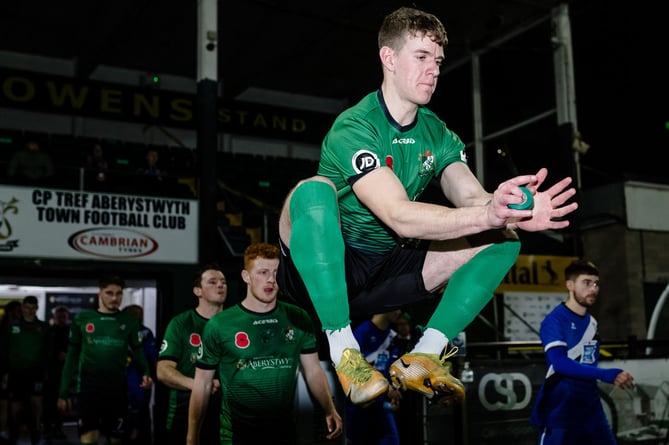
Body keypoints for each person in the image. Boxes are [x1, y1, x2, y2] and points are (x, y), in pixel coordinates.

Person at [275, 5, 579, 408]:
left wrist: (510, 207)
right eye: (421, 58)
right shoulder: (355, 126)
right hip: (321, 271)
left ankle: (425, 354)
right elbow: (398, 215)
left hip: (383, 274)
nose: (433, 70)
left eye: (437, 60)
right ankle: (345, 352)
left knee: (503, 239)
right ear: (388, 57)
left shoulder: (438, 133)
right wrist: (488, 212)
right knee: (311, 191)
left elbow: (472, 198)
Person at [187, 242, 343, 445]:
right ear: (246, 277)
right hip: (236, 434)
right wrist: (192, 437)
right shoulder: (219, 325)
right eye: (262, 272)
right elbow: (202, 384)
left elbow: (313, 370)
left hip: (284, 431)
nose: (271, 279)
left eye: (276, 272)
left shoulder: (298, 318)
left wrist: (329, 408)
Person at [530, 259, 635, 444]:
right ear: (570, 285)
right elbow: (560, 363)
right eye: (586, 283)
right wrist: (607, 374)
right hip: (559, 410)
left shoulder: (592, 323)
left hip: (591, 410)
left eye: (596, 284)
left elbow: (587, 363)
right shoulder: (554, 321)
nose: (593, 289)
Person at [57, 275, 153, 445]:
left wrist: (146, 372)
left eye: (119, 293)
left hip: (117, 390)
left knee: (115, 439)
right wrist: (63, 392)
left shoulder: (129, 320)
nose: (115, 298)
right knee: (89, 437)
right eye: (109, 293)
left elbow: (138, 351)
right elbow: (71, 357)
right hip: (89, 388)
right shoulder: (82, 319)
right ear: (99, 293)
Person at [156, 264, 228, 445]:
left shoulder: (234, 324)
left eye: (223, 282)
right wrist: (197, 384)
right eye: (212, 282)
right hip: (184, 414)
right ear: (198, 291)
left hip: (227, 416)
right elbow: (163, 370)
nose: (220, 285)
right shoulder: (181, 323)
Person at [346, 309, 403, 445]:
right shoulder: (362, 332)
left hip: (381, 406)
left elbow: (391, 369)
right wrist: (385, 387)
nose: (399, 312)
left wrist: (394, 391)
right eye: (397, 307)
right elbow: (353, 364)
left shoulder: (392, 337)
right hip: (359, 407)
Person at [0, 296, 50, 445]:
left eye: (33, 308)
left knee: (37, 406)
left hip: (36, 373)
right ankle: (13, 436)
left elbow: (48, 352)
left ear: (37, 308)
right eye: (27, 307)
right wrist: (4, 374)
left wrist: (46, 372)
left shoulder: (44, 328)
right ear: (22, 308)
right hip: (16, 373)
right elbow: (4, 351)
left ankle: (36, 436)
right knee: (14, 408)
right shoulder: (12, 327)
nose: (29, 311)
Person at [123, 304, 158, 445]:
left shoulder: (146, 333)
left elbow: (154, 356)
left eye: (139, 313)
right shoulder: (119, 332)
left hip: (142, 380)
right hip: (122, 381)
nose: (137, 316)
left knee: (142, 415)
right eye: (133, 313)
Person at [389, 312, 422, 445]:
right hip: (398, 388)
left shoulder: (416, 342)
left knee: (416, 421)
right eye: (399, 325)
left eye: (405, 324)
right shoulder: (393, 343)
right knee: (399, 422)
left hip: (414, 389)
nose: (402, 327)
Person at [43, 305, 71, 441]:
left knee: (62, 402)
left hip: (65, 373)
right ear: (54, 318)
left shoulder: (71, 333)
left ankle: (58, 428)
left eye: (63, 317)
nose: (61, 319)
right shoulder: (48, 331)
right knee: (49, 402)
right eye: (59, 317)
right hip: (50, 373)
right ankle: (48, 428)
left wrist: (67, 355)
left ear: (67, 318)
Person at [0, 300, 22, 443]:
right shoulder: (6, 329)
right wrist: (5, 374)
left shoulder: (20, 328)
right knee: (3, 403)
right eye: (18, 311)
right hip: (5, 371)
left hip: (16, 372)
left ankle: (9, 431)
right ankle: (3, 431)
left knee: (13, 404)